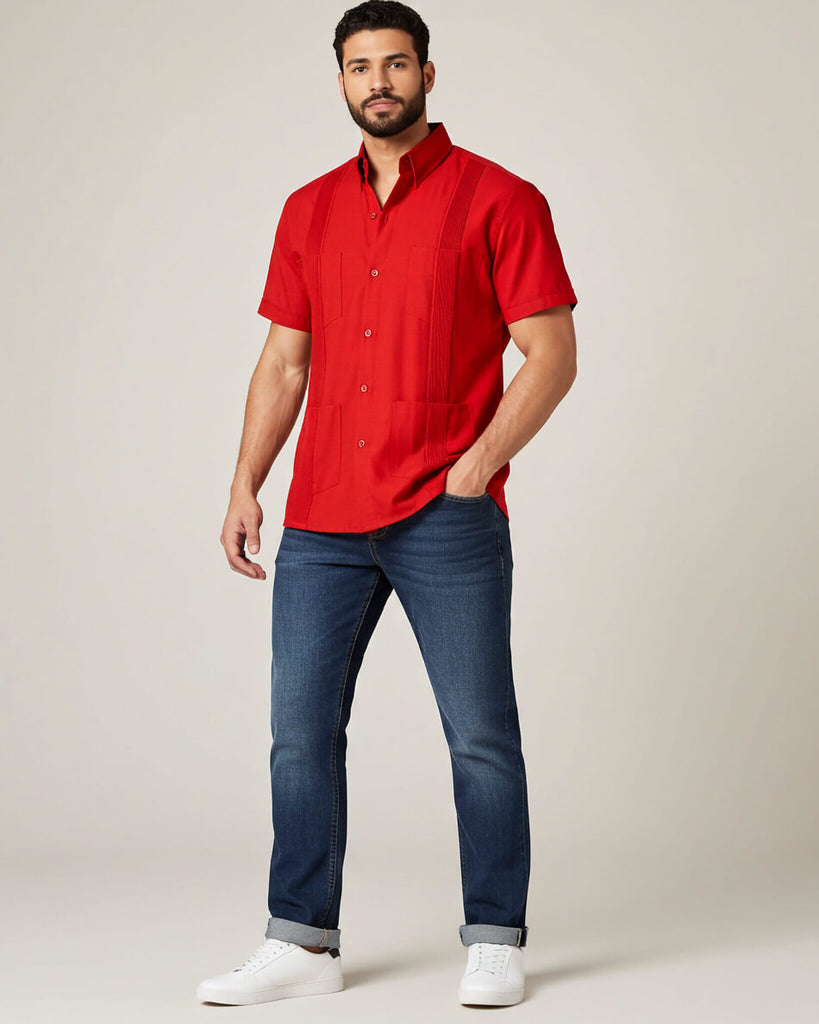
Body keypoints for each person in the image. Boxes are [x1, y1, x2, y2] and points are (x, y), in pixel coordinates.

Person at [197, 0, 578, 1009]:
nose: (379, 82)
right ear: (341, 82)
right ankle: (303, 941)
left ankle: (495, 934)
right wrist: (246, 483)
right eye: (360, 66)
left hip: (445, 516)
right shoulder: (307, 209)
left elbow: (552, 354)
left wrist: (478, 463)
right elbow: (284, 362)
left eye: (396, 64)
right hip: (323, 516)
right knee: (300, 729)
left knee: (480, 732)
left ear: (428, 75)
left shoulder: (502, 199)